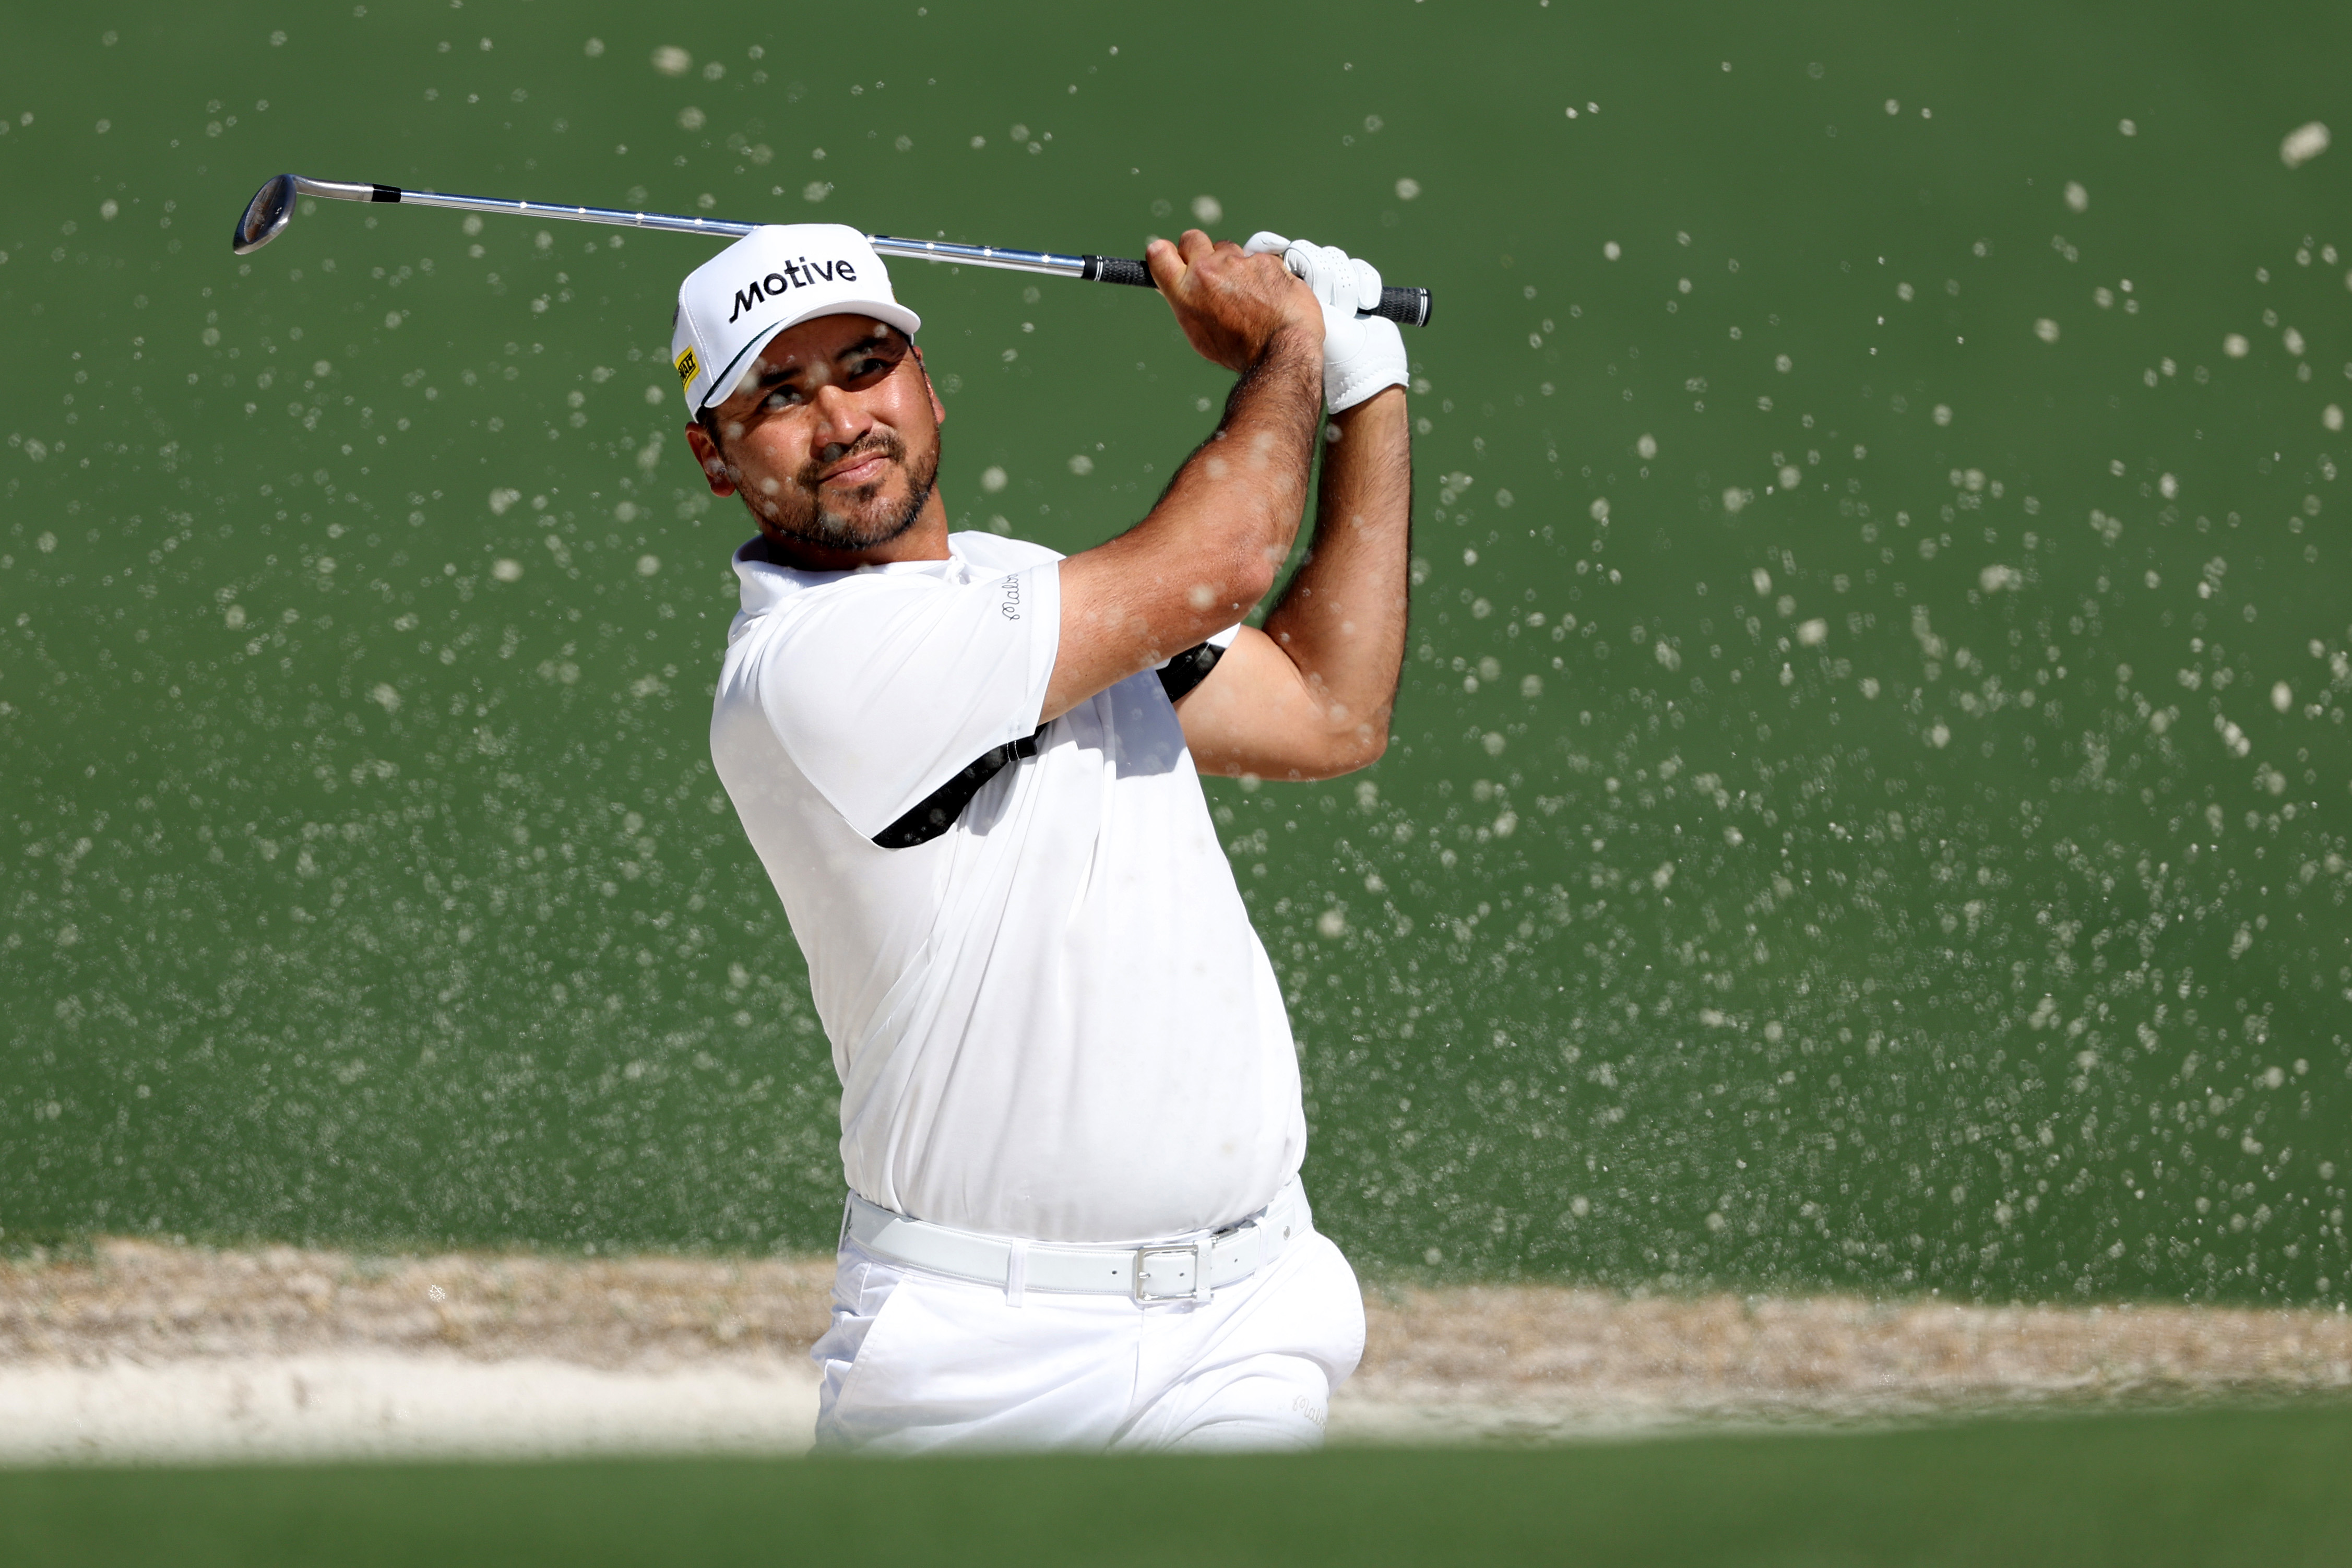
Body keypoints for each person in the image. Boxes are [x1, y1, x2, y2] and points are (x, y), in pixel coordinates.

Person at [678, 218, 1412, 1453]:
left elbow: (1329, 710)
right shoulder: (804, 670)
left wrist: (1364, 390)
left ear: (927, 382)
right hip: (976, 1357)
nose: (843, 419)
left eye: (865, 365)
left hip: (1244, 1319)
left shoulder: (1030, 588)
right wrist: (1287, 345)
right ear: (716, 456)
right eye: (779, 396)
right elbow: (1224, 556)